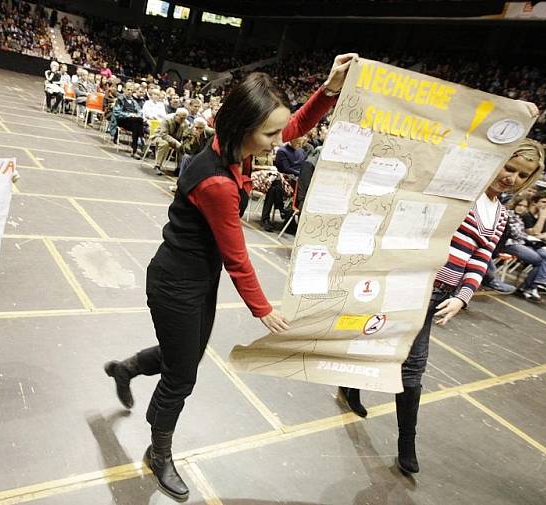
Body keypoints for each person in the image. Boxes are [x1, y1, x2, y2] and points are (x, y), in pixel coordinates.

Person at [103, 53, 357, 501]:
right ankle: (158, 452)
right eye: (271, 133)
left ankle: (125, 368)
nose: (281, 139)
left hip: (199, 280)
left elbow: (295, 124)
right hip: (175, 282)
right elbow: (237, 257)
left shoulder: (236, 146)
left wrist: (330, 89)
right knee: (182, 377)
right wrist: (263, 310)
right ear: (244, 127)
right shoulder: (217, 181)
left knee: (184, 358)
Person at [339, 138, 544, 475]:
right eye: (509, 167)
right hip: (409, 283)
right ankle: (370, 405)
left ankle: (403, 437)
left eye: (521, 175)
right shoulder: (460, 192)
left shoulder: (501, 216)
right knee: (388, 346)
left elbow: (481, 258)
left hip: (439, 293)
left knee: (410, 366)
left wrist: (463, 296)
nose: (511, 177)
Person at [112, 82, 144, 159]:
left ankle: (134, 150)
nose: (129, 92)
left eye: (131, 90)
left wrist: (136, 115)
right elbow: (117, 112)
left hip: (133, 122)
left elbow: (140, 111)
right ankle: (140, 141)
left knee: (137, 123)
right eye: (128, 89)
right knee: (138, 122)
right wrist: (128, 115)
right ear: (124, 89)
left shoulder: (133, 101)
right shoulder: (120, 99)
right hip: (122, 120)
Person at [152, 108, 188, 176]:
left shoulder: (185, 123)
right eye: (181, 118)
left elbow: (185, 135)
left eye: (184, 118)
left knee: (183, 147)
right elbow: (164, 134)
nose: (183, 120)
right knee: (165, 144)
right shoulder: (167, 119)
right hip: (159, 136)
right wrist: (176, 143)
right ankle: (158, 165)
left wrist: (183, 143)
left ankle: (179, 168)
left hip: (174, 139)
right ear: (176, 115)